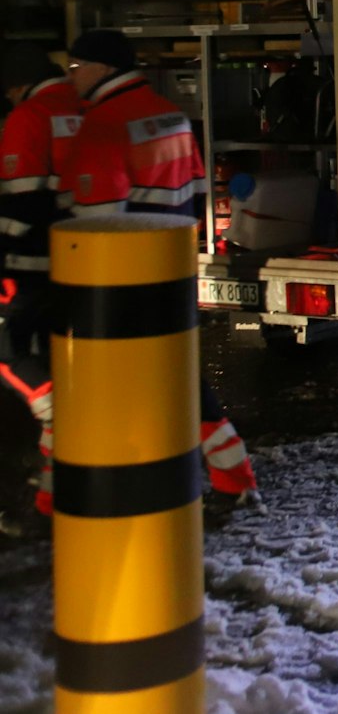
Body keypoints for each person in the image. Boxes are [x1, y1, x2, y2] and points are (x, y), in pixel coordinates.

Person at [59, 30, 258, 507]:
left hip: (120, 284)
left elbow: (96, 227)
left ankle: (111, 492)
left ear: (103, 68)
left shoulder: (105, 124)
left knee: (114, 387)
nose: (72, 79)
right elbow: (196, 192)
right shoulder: (168, 115)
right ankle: (233, 476)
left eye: (75, 68)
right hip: (171, 269)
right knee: (176, 376)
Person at [0, 43, 82, 517]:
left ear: (17, 87)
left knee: (12, 351)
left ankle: (58, 423)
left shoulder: (29, 117)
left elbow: (22, 202)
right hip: (82, 260)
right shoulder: (84, 106)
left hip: (32, 264)